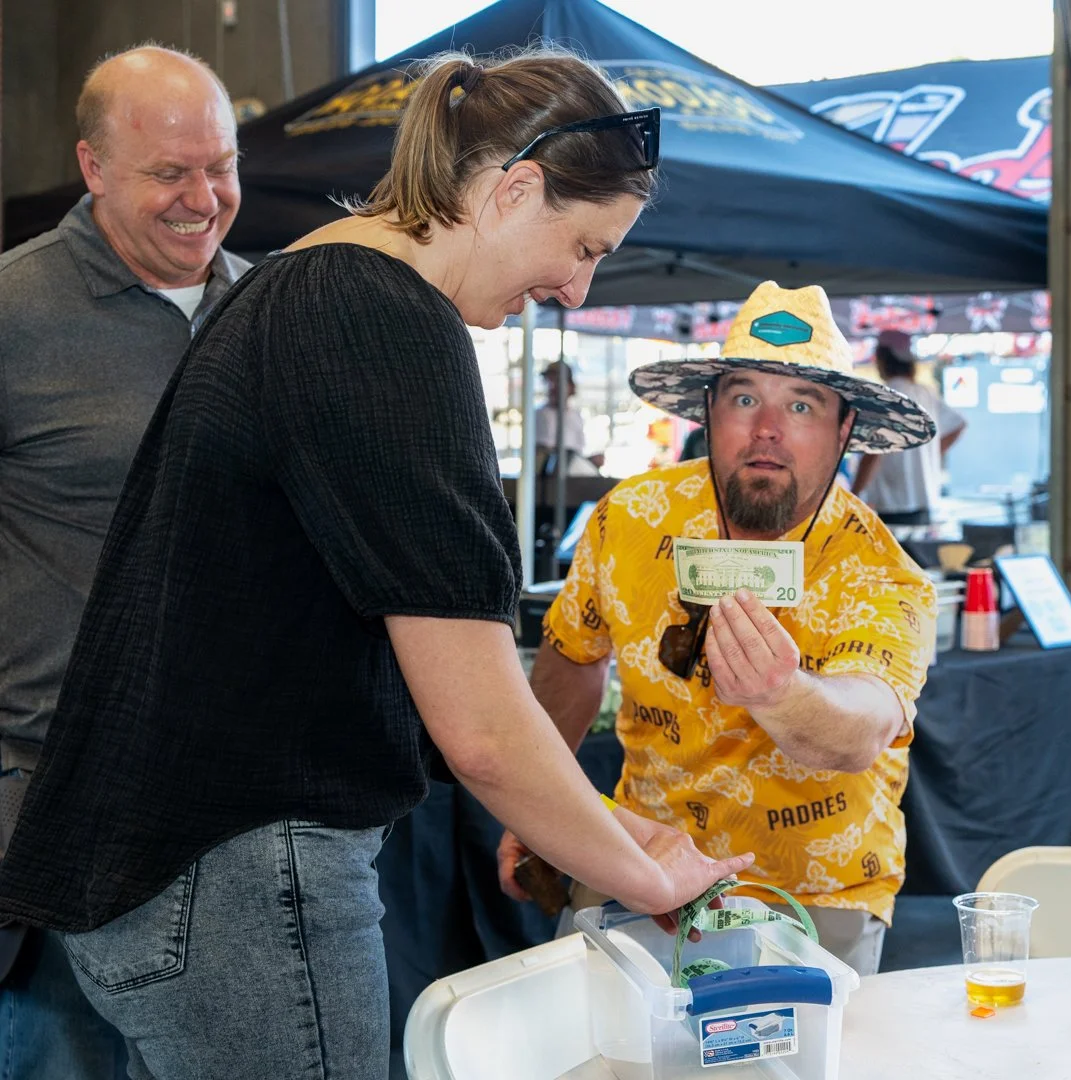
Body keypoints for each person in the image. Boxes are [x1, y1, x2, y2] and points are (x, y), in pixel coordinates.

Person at [0, 49, 753, 1079]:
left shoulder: (304, 287)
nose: (577, 289)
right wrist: (649, 880)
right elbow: (481, 727)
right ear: (511, 188)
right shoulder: (380, 317)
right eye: (583, 246)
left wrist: (618, 832)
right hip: (240, 872)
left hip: (186, 879)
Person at [499, 281, 940, 976]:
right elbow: (573, 655)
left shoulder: (880, 571)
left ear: (844, 430)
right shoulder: (631, 518)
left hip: (814, 891)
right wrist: (538, 807)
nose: (767, 428)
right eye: (743, 398)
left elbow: (860, 732)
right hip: (636, 862)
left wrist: (782, 694)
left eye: (801, 405)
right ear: (709, 412)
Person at [0, 45, 247, 1079]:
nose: (204, 200)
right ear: (93, 168)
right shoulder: (14, 312)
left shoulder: (270, 312)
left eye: (220, 166)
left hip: (232, 817)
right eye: (168, 173)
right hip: (52, 806)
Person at [852, 329, 967, 525]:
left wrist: (852, 496)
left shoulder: (883, 395)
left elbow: (873, 454)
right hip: (925, 502)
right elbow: (959, 425)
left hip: (893, 504)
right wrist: (927, 454)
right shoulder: (924, 393)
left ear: (882, 358)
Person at [535, 358, 604, 474]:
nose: (552, 387)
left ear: (570, 386)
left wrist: (590, 461)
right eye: (549, 381)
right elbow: (545, 454)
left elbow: (577, 451)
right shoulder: (540, 415)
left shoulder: (576, 415)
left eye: (557, 381)